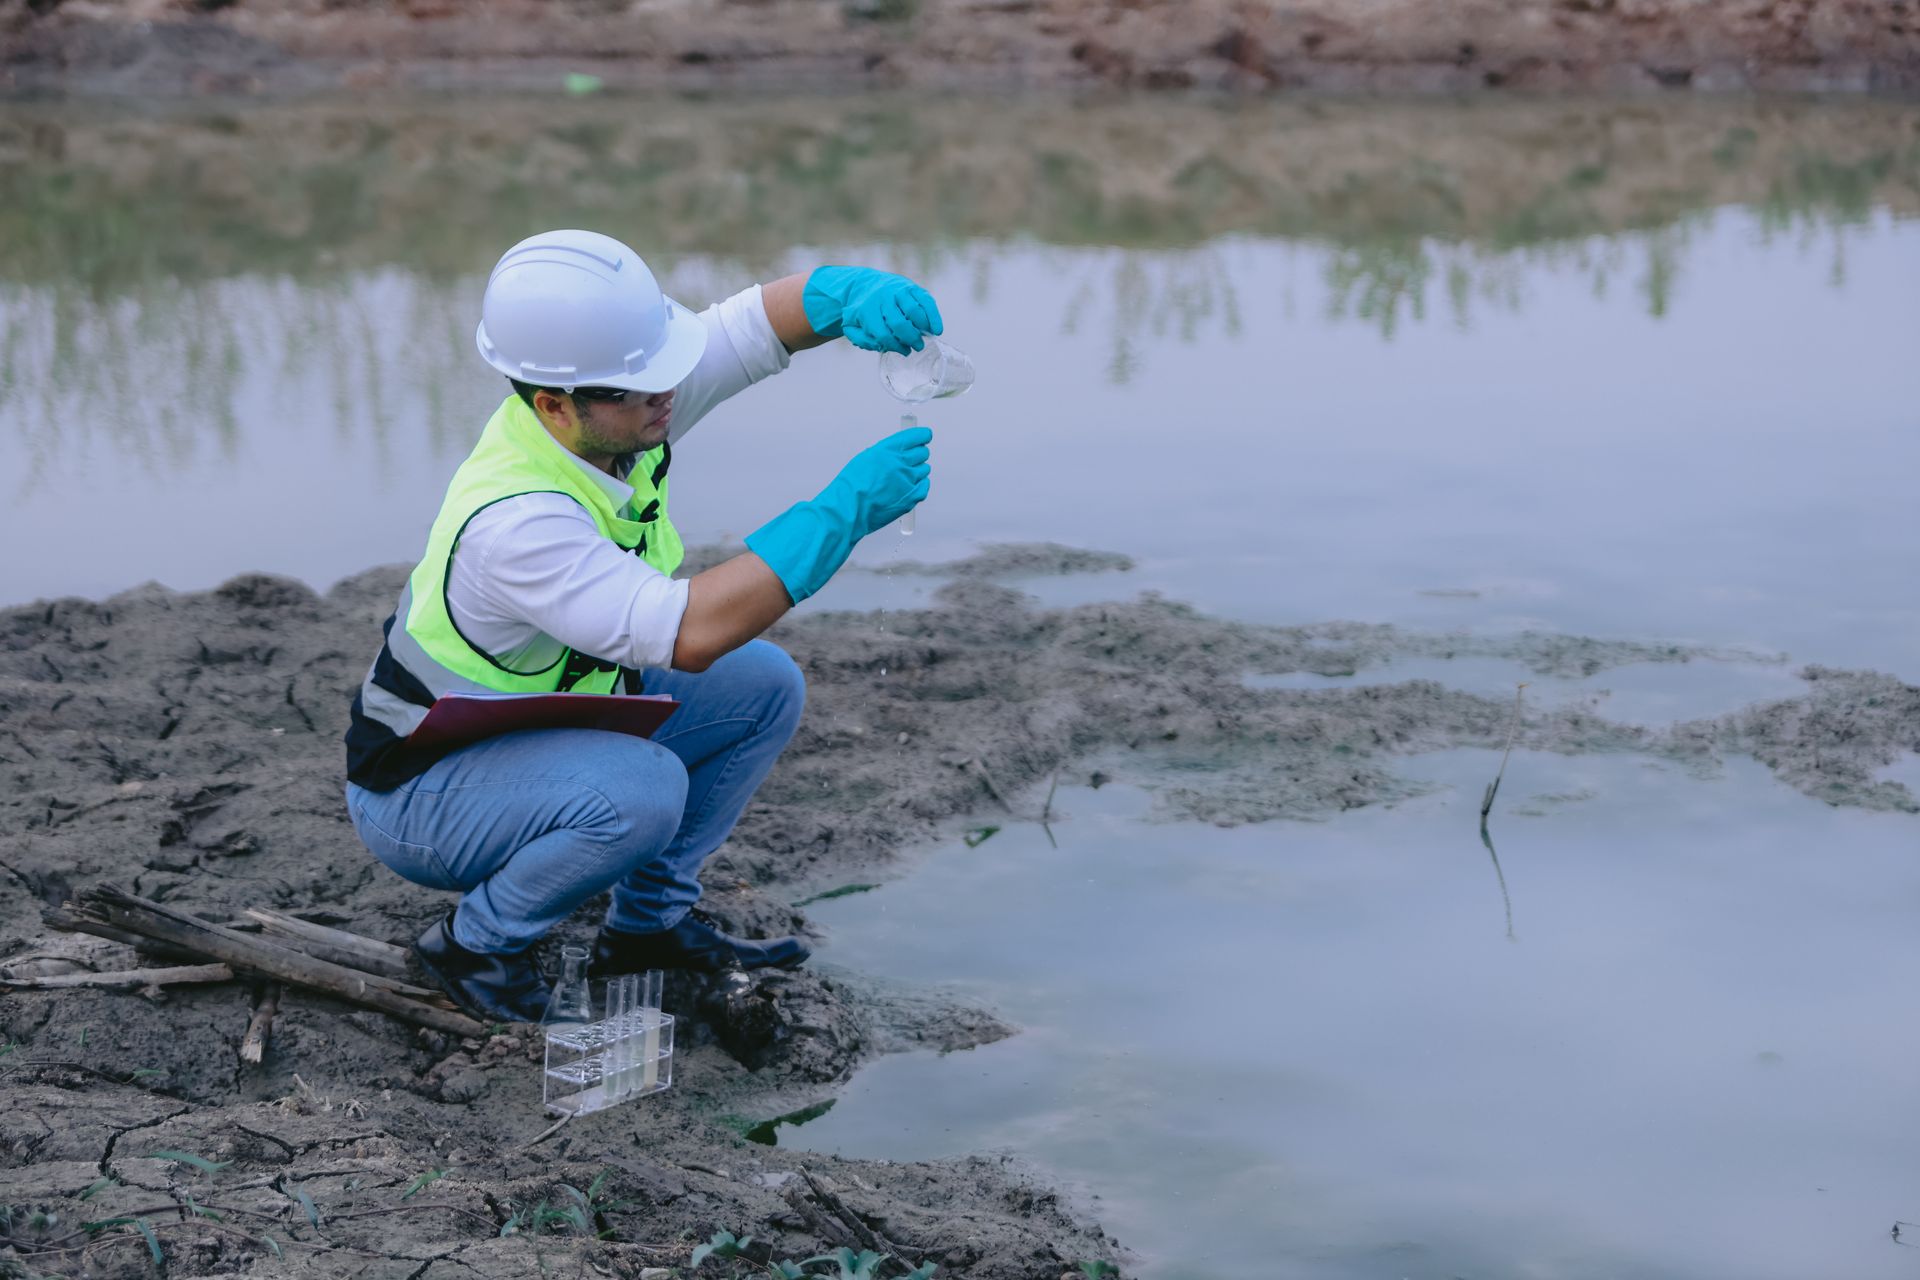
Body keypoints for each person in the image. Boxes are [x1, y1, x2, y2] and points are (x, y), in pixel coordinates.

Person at [341, 229, 940, 1022]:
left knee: (763, 686)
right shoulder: (518, 521)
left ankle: (646, 928)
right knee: (641, 791)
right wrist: (843, 512)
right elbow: (689, 631)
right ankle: (477, 947)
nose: (669, 393)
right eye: (643, 387)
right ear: (554, 402)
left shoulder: (613, 405)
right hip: (426, 792)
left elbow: (754, 327)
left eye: (663, 371)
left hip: (534, 725)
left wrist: (847, 294)